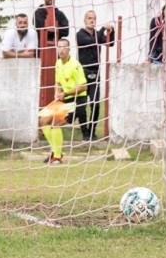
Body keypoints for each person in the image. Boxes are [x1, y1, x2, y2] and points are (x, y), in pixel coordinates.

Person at [36, 38, 87, 165]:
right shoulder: (58, 63)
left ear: (69, 49)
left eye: (64, 47)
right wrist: (57, 92)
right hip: (63, 100)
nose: (61, 49)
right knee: (42, 120)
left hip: (77, 101)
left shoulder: (75, 65)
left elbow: (84, 87)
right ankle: (55, 151)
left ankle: (57, 157)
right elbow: (58, 82)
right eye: (59, 46)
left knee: (55, 123)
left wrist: (65, 93)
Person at [75, 11, 114, 141]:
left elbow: (110, 43)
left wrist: (111, 31)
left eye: (94, 18)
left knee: (95, 103)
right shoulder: (80, 35)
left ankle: (92, 131)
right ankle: (84, 132)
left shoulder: (97, 34)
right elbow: (92, 42)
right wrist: (103, 28)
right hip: (82, 72)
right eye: (90, 18)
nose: (92, 21)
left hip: (95, 71)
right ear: (84, 20)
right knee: (81, 104)